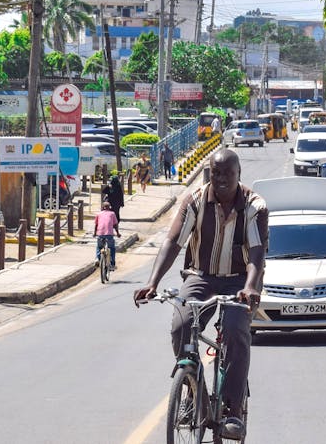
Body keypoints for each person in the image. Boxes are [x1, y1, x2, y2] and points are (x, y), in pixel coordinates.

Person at [133, 149, 266, 441]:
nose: (220, 179)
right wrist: (152, 282)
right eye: (215, 172)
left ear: (238, 175)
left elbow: (257, 253)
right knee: (182, 325)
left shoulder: (255, 206)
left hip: (239, 281)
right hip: (200, 276)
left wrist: (251, 286)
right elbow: (173, 242)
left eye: (227, 173)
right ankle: (194, 391)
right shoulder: (194, 200)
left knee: (234, 330)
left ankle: (231, 409)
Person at [94, 201, 121, 270]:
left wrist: (94, 233)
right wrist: (117, 233)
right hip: (109, 234)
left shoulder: (98, 214)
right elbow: (115, 224)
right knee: (111, 248)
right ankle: (112, 263)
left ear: (102, 207)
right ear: (110, 207)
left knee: (99, 247)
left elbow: (96, 225)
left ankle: (97, 258)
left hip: (100, 234)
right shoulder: (112, 214)